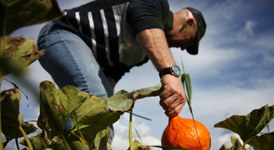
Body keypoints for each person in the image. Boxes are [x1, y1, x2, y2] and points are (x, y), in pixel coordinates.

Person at [37, 0, 206, 140]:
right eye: (190, 42)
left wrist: (110, 104)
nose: (184, 48)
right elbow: (144, 18)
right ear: (190, 22)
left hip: (83, 55)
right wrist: (171, 74)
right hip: (61, 32)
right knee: (95, 108)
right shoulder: (157, 5)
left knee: (103, 108)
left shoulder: (142, 55)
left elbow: (111, 76)